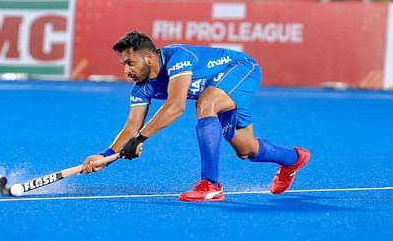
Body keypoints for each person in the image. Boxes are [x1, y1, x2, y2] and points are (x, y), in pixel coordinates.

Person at [83, 31, 310, 202]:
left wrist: (140, 139)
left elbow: (176, 106)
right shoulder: (142, 87)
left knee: (206, 103)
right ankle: (293, 159)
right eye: (123, 64)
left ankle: (211, 185)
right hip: (218, 87)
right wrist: (105, 157)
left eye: (130, 63)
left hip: (241, 69)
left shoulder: (177, 58)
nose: (126, 70)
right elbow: (131, 126)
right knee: (246, 149)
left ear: (149, 58)